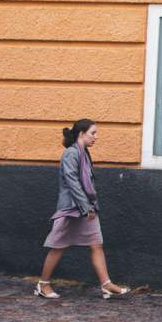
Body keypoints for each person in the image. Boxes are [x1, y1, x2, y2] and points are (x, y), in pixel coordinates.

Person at [36, 118, 132, 300]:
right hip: (72, 210)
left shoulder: (84, 153)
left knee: (96, 244)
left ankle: (106, 285)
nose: (96, 137)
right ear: (81, 134)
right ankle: (43, 284)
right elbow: (72, 182)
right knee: (58, 247)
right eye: (93, 133)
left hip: (87, 209)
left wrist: (90, 206)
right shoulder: (71, 154)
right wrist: (85, 206)